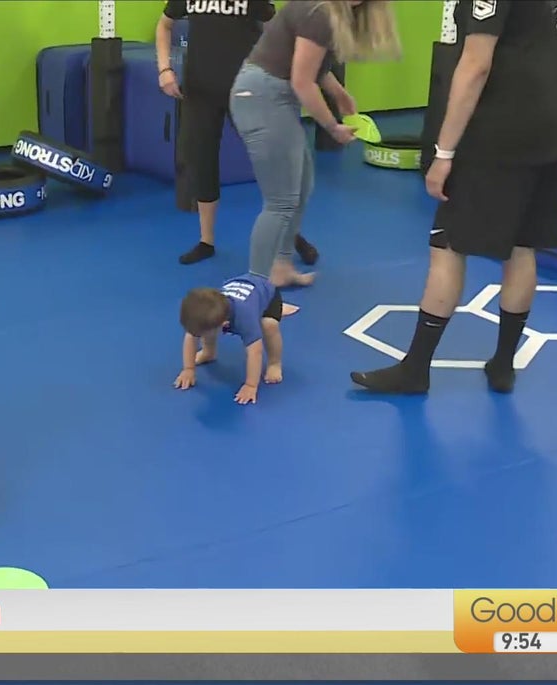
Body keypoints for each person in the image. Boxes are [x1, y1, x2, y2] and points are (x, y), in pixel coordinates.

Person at [351, 0, 557, 394]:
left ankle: (415, 369)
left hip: (501, 130)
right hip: (554, 125)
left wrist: (444, 152)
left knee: (447, 245)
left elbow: (475, 65)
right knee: (522, 246)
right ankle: (503, 365)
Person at [229, 0, 399, 290]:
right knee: (280, 201)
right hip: (263, 97)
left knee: (301, 187)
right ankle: (256, 289)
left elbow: (309, 63)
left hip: (271, 95)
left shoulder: (328, 11)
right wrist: (332, 126)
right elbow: (302, 81)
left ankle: (281, 267)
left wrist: (339, 93)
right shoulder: (319, 11)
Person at [156, 0, 320, 268]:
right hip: (200, 93)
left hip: (245, 89)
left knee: (271, 162)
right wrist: (164, 69)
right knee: (202, 161)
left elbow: (279, 31)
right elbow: (164, 25)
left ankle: (291, 235)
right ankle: (206, 241)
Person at [174, 275, 296, 405]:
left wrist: (251, 385)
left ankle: (274, 363)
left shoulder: (244, 319)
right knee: (206, 328)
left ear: (225, 325)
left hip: (268, 294)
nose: (196, 336)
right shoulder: (211, 312)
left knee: (269, 325)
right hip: (242, 289)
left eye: (199, 335)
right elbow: (191, 336)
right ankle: (208, 352)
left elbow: (255, 352)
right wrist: (188, 369)